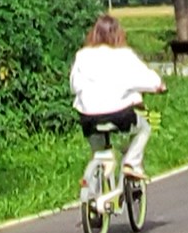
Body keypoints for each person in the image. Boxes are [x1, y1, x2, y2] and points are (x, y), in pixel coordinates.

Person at [70, 13, 165, 181]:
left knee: (99, 152)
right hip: (119, 115)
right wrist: (158, 86)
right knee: (144, 128)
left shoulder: (82, 56)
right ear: (118, 34)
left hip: (88, 117)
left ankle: (97, 184)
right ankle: (131, 163)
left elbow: (74, 86)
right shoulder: (124, 55)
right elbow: (147, 78)